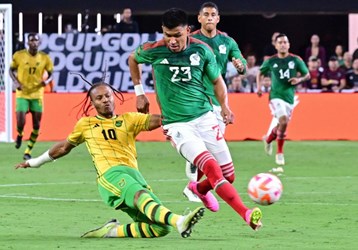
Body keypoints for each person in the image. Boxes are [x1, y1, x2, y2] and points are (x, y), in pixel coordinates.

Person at [128, 7, 262, 231]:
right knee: (212, 168)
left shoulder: (202, 50)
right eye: (167, 35)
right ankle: (246, 213)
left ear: (187, 31)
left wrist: (225, 107)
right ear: (162, 32)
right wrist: (139, 92)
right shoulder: (153, 50)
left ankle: (198, 189)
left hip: (205, 116)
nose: (172, 41)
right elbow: (133, 59)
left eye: (177, 35)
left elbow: (218, 81)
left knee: (228, 175)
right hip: (177, 125)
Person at [15, 81, 205, 239]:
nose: (105, 100)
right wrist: (34, 162)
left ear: (113, 97)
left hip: (134, 175)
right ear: (92, 103)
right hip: (110, 175)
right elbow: (63, 147)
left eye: (107, 95)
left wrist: (187, 111)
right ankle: (180, 220)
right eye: (99, 98)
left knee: (160, 228)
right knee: (140, 196)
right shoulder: (86, 124)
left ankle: (112, 231)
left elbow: (163, 119)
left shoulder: (130, 119)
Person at [183, 1, 247, 202]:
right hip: (197, 100)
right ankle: (193, 185)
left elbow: (241, 62)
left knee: (213, 152)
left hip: (219, 103)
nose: (210, 17)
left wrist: (240, 65)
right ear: (199, 18)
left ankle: (194, 186)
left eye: (213, 14)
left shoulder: (227, 42)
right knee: (204, 148)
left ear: (218, 19)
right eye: (206, 14)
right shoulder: (190, 40)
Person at [257, 33, 310, 170]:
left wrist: (299, 80)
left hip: (289, 97)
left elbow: (307, 75)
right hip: (275, 96)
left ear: (289, 44)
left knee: (283, 124)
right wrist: (259, 87)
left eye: (285, 42)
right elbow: (260, 72)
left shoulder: (295, 60)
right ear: (275, 45)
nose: (282, 44)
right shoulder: (271, 60)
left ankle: (269, 139)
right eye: (280, 42)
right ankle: (279, 152)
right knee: (283, 120)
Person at [9, 33, 54, 160]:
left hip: (37, 94)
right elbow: (10, 70)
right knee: (21, 120)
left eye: (36, 40)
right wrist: (16, 82)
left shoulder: (45, 58)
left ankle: (27, 151)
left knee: (36, 125)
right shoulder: (19, 55)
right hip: (22, 93)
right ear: (27, 43)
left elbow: (51, 73)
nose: (34, 42)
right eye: (31, 40)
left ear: (39, 43)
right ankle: (20, 134)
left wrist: (46, 81)